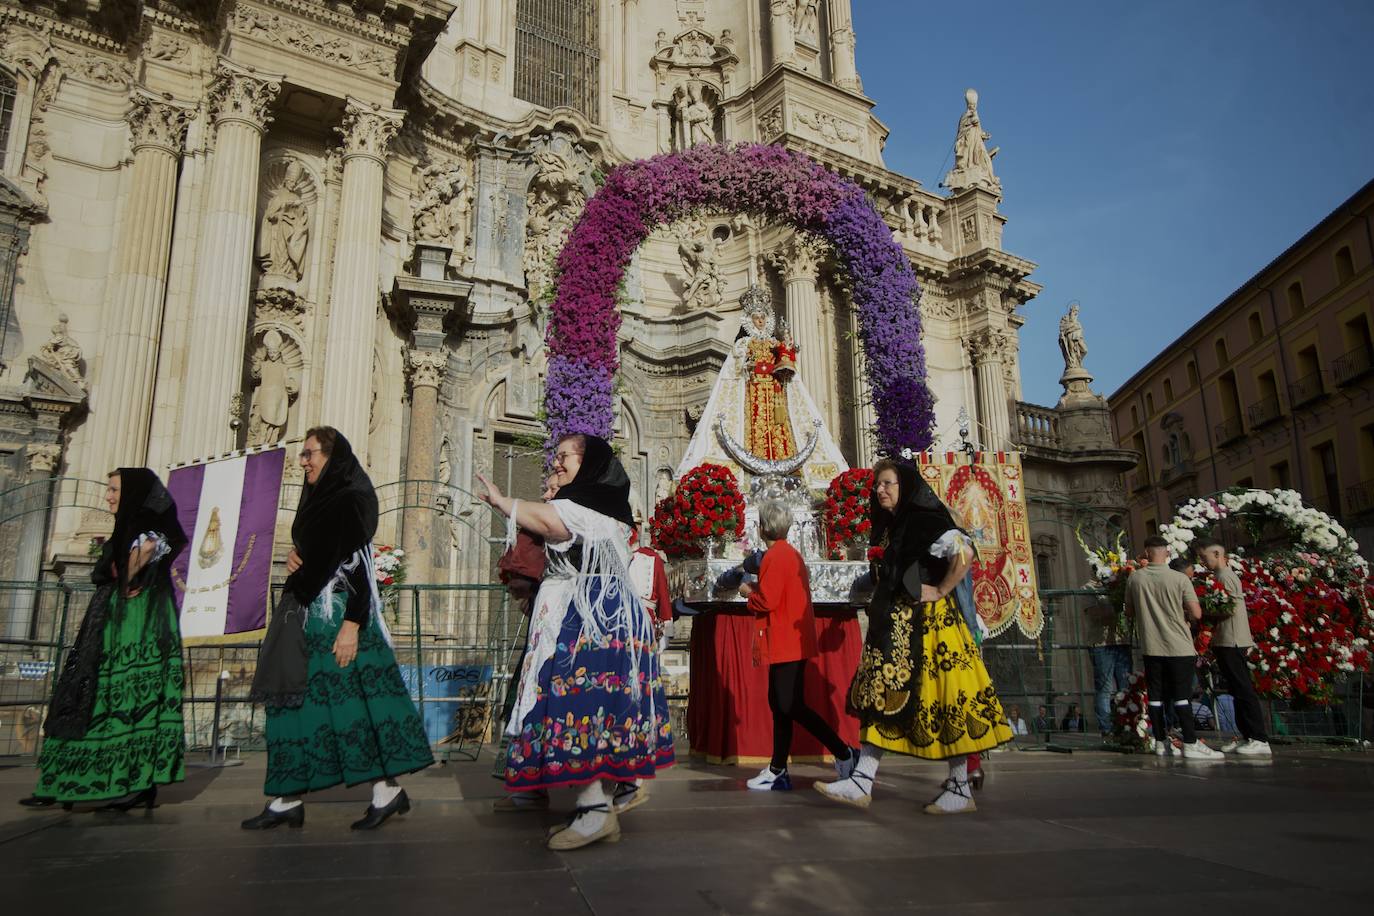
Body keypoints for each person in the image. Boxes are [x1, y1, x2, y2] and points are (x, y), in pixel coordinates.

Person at [476, 433, 674, 850]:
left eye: (565, 457)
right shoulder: (598, 507)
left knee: (579, 705)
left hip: (594, 618)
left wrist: (500, 501)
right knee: (587, 708)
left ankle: (595, 811)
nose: (558, 464)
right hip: (596, 614)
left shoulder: (589, 510)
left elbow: (552, 522)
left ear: (589, 464)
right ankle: (594, 805)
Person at [243, 428, 433, 830]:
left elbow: (359, 566)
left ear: (331, 456)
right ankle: (286, 798)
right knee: (293, 705)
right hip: (307, 616)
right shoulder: (317, 498)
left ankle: (386, 791)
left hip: (338, 618)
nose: (303, 461)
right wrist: (298, 554)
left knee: (355, 710)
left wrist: (351, 625)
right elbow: (320, 551)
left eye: (309, 453)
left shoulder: (350, 499)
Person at [815, 459, 1013, 815]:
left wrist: (939, 589)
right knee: (880, 697)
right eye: (878, 485)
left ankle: (958, 788)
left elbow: (963, 553)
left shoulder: (924, 519)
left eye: (888, 484)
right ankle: (862, 781)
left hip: (930, 629)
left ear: (905, 486)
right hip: (899, 629)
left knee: (943, 702)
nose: (881, 490)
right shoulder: (901, 524)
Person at [20, 469, 187, 810]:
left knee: (122, 698)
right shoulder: (127, 529)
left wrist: (127, 575)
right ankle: (67, 781)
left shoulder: (148, 531)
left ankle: (132, 783)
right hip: (114, 621)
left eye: (114, 490)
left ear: (134, 495)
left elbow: (152, 547)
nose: (108, 496)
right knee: (88, 694)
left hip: (136, 624)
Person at [737, 501, 856, 791]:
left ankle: (843, 752)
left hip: (786, 640)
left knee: (789, 705)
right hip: (787, 639)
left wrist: (747, 591)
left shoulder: (777, 557)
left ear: (762, 527)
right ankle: (778, 769)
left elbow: (768, 600)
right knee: (781, 705)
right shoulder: (784, 554)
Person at [1124, 536, 1223, 760]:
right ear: (1166, 553)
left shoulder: (1135, 578)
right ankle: (1190, 741)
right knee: (1182, 696)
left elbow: (1129, 612)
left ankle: (1160, 741)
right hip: (1178, 645)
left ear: (1147, 553)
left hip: (1151, 645)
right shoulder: (1179, 579)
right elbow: (1197, 613)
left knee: (1156, 696)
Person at [1197, 541, 1271, 756]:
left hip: (1233, 640)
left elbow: (1227, 607)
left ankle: (1258, 737)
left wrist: (1205, 611)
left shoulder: (1226, 577)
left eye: (1205, 557)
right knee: (1236, 690)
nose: (1203, 562)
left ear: (1218, 554)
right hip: (1225, 640)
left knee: (1243, 688)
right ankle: (1247, 735)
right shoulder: (1219, 577)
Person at [1085, 600, 1133, 738]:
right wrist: (1117, 606)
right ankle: (1107, 729)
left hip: (1122, 641)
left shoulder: (1120, 586)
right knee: (1104, 688)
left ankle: (1128, 725)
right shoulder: (1089, 588)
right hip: (1101, 643)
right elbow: (1094, 613)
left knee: (1126, 687)